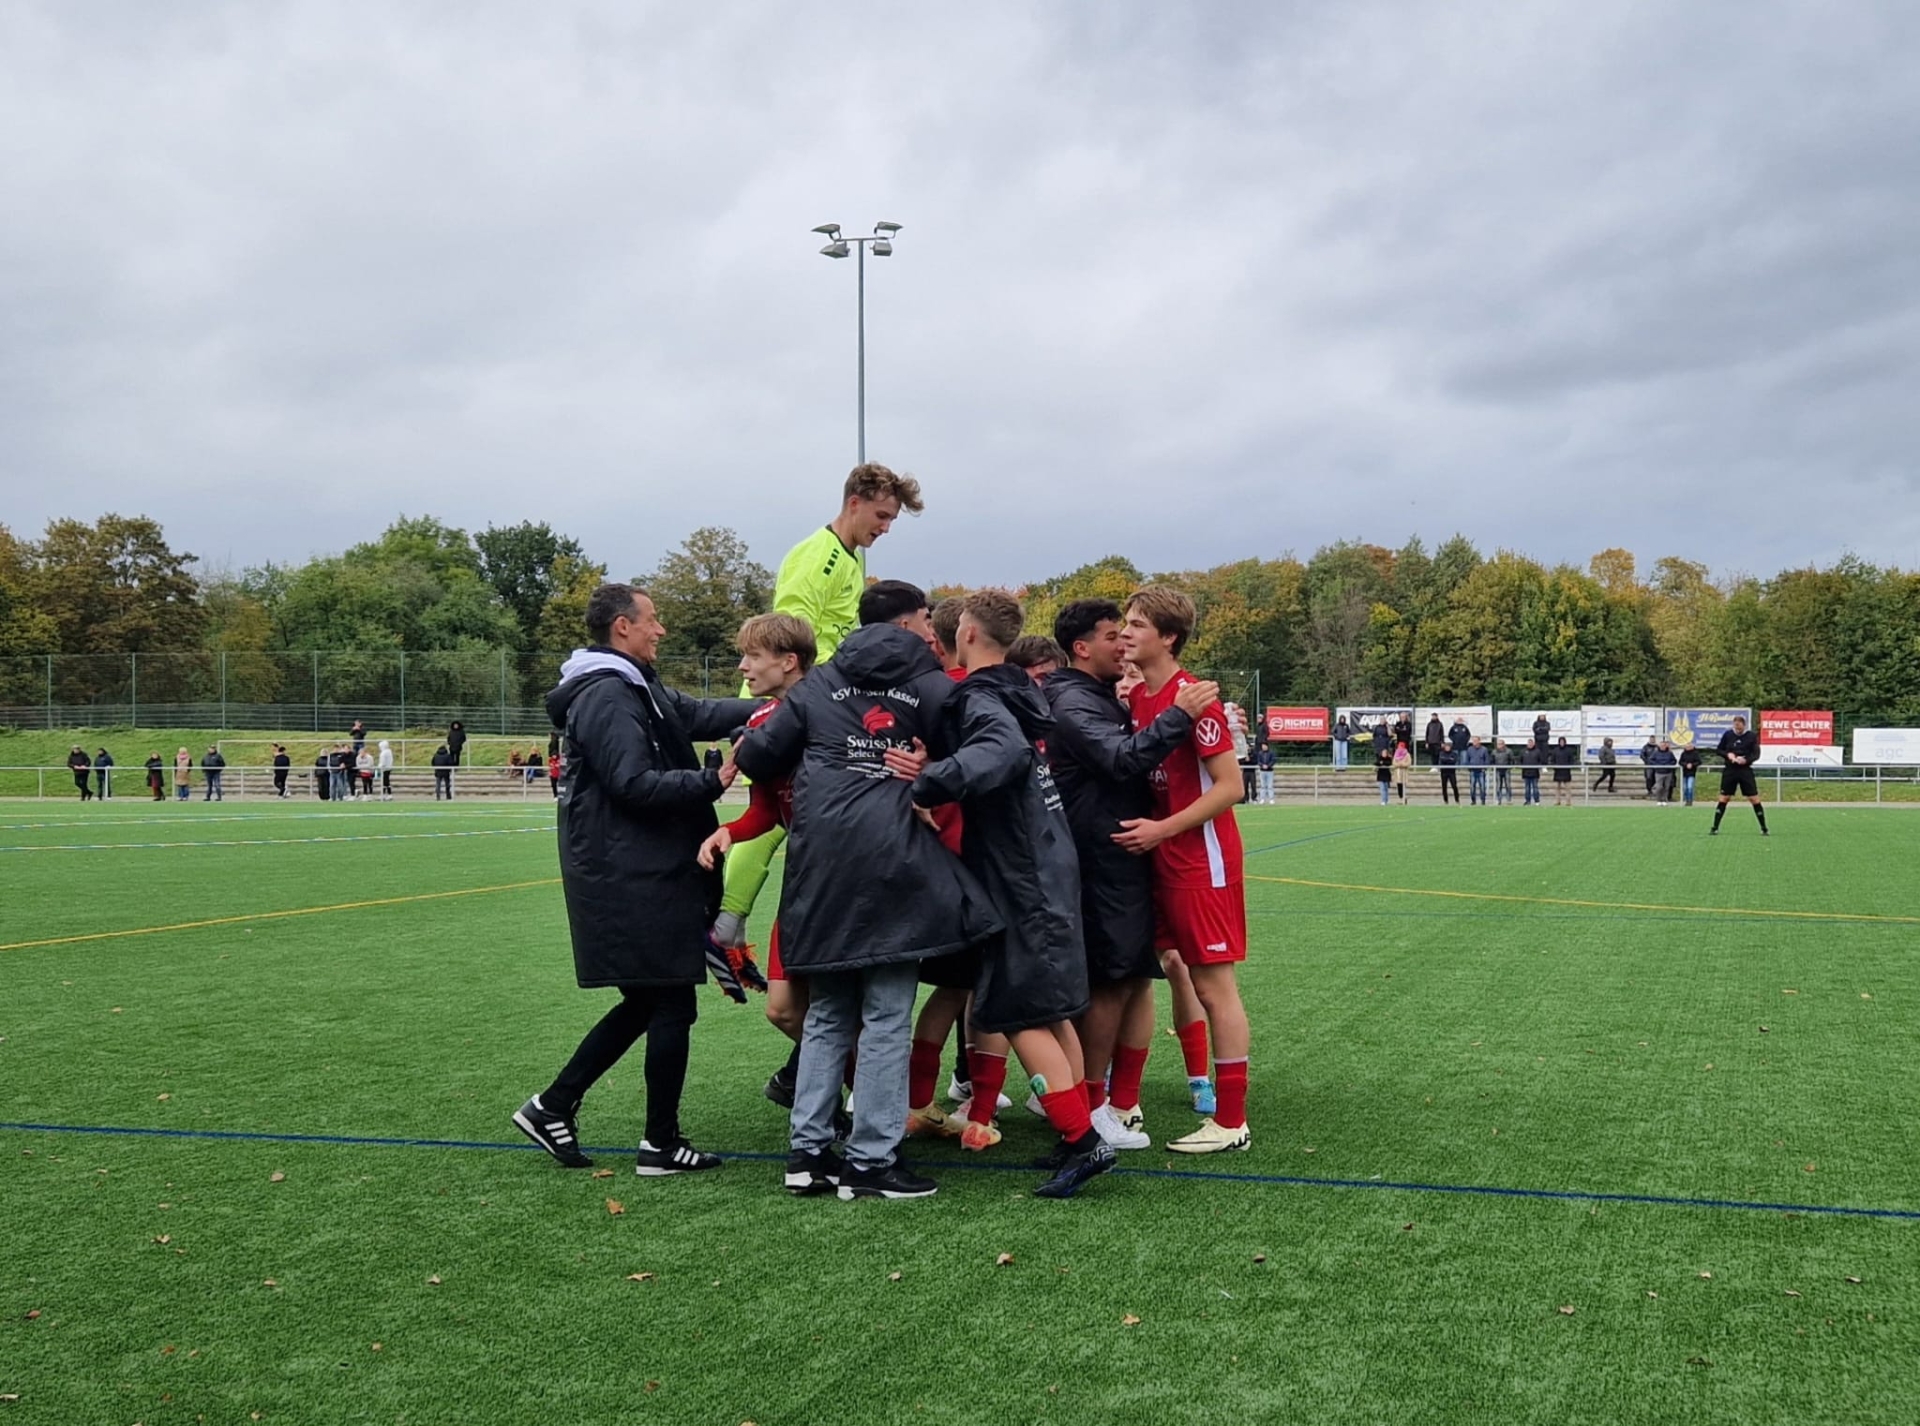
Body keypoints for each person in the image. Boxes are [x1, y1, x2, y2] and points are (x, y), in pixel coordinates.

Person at [735, 579, 1002, 1201]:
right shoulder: (930, 685)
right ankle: (872, 1161)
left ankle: (807, 1156)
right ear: (912, 630)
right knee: (885, 1017)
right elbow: (984, 746)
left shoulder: (818, 685)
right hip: (894, 866)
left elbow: (758, 757)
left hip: (821, 868)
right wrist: (931, 767)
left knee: (829, 1013)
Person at [512, 582, 763, 1177]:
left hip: (637, 868)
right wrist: (712, 781)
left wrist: (779, 703)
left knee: (651, 1000)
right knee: (668, 1000)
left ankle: (555, 1106)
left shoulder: (630, 684)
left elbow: (696, 715)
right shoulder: (607, 693)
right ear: (622, 626)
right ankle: (658, 1143)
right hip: (629, 874)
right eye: (652, 619)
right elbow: (632, 783)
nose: (661, 629)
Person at [891, 589, 1116, 1197]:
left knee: (1017, 1012)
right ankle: (1077, 1130)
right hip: (1047, 861)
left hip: (1020, 874)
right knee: (1048, 1010)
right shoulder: (1020, 689)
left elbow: (1002, 752)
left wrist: (930, 780)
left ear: (966, 632)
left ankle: (1084, 1143)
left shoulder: (982, 695)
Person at [709, 463, 928, 1078]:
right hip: (800, 706)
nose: (886, 528)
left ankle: (812, 1074)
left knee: (794, 817)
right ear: (855, 502)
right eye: (881, 515)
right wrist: (835, 692)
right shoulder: (819, 556)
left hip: (819, 703)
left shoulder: (851, 560)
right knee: (781, 810)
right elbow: (792, 637)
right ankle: (727, 922)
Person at [1041, 598, 1218, 1156]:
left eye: (1131, 630)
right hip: (1105, 857)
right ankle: (1091, 1107)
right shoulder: (1073, 700)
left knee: (1135, 978)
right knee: (1112, 981)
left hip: (1124, 855)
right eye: (1113, 635)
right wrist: (1179, 715)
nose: (1123, 643)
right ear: (1081, 648)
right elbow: (1120, 759)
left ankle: (1113, 1100)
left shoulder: (1099, 694)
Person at [1120, 585, 1253, 1154]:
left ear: (1168, 637)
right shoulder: (1141, 697)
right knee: (1157, 974)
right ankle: (1123, 1101)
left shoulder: (1194, 701)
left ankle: (1232, 1121)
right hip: (1163, 858)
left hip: (1202, 862)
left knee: (1214, 987)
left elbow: (1231, 786)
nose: (1125, 632)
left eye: (1137, 624)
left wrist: (1162, 830)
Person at [695, 614, 812, 1094]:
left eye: (753, 656)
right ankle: (866, 1092)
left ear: (789, 661)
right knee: (783, 1010)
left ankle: (879, 1105)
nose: (743, 667)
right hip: (804, 882)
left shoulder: (835, 712)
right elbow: (766, 809)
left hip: (852, 879)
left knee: (853, 1008)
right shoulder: (759, 726)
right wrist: (728, 832)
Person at [1709, 715, 1769, 836]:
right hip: (1730, 770)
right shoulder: (1728, 735)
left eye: (1740, 728)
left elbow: (1756, 754)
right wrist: (1728, 755)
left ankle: (1764, 828)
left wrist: (1746, 760)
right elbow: (1719, 750)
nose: (1738, 730)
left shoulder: (1751, 736)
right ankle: (1714, 827)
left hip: (1745, 770)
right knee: (1724, 798)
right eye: (1736, 728)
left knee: (1754, 798)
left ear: (1744, 725)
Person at [1462, 735, 1492, 805]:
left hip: (1481, 771)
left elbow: (1487, 760)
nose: (1474, 742)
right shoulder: (1469, 749)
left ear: (1479, 741)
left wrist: (1484, 768)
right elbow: (1467, 760)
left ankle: (1483, 801)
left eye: (1475, 740)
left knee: (1482, 786)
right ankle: (1473, 801)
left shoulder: (1484, 749)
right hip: (1473, 771)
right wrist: (1469, 768)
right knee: (1472, 787)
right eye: (1473, 741)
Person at [1549, 736, 1575, 806]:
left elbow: (1572, 760)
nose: (1562, 743)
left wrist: (1568, 767)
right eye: (1560, 741)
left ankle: (1568, 802)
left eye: (1563, 741)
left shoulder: (1569, 750)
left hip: (1566, 772)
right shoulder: (1555, 750)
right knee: (1557, 788)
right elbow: (1552, 760)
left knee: (1568, 788)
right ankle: (1557, 801)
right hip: (1557, 772)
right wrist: (1554, 767)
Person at [1678, 742, 1703, 807]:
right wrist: (1686, 765)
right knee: (1685, 788)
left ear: (1692, 747)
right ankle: (1686, 800)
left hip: (1692, 773)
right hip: (1684, 773)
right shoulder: (1683, 754)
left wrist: (1692, 765)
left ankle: (1689, 801)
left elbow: (1699, 762)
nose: (1688, 747)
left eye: (1689, 746)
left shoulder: (1695, 753)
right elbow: (1680, 762)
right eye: (1687, 746)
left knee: (1690, 787)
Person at [1519, 738, 1543, 805]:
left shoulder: (1537, 751)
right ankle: (1528, 801)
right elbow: (1520, 760)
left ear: (1533, 744)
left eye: (1531, 743)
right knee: (1527, 788)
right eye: (1529, 743)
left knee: (1535, 787)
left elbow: (1540, 761)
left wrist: (1538, 767)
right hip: (1526, 773)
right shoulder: (1523, 751)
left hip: (1535, 773)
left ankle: (1537, 801)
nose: (1530, 744)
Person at [1492, 738, 1514, 805]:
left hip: (1506, 770)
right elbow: (1492, 760)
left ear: (1504, 744)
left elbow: (1512, 760)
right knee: (1498, 786)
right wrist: (1494, 768)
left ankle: (1509, 800)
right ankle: (1499, 800)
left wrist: (1510, 767)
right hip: (1498, 770)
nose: (1500, 745)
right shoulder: (1494, 752)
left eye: (1501, 744)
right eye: (1498, 744)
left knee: (1508, 785)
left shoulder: (1509, 751)